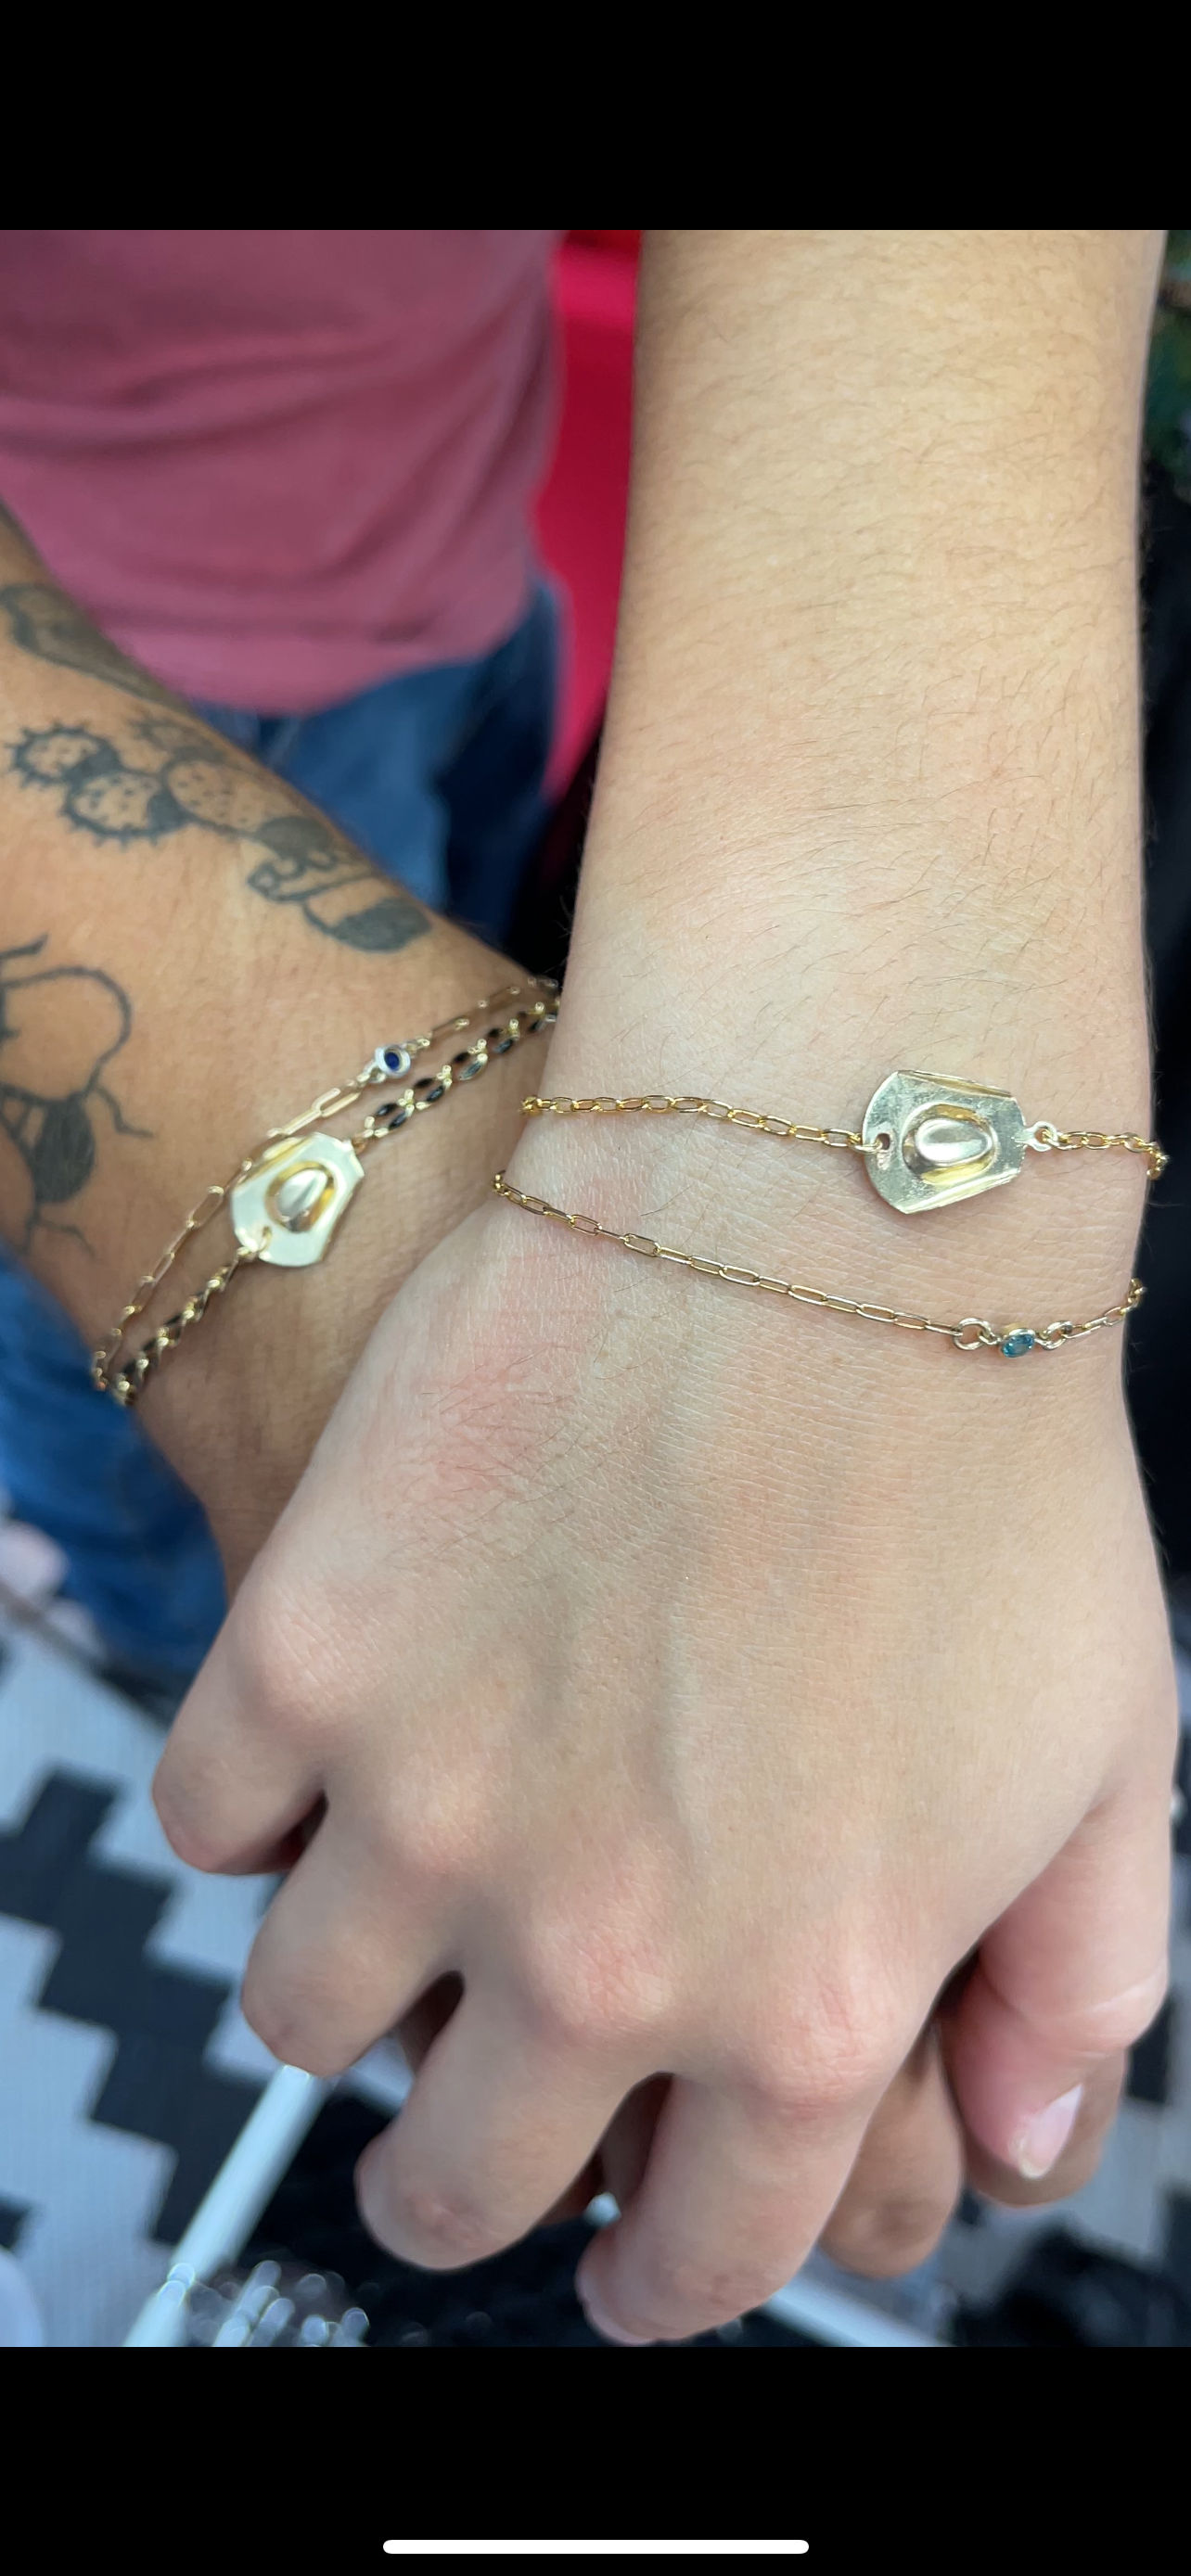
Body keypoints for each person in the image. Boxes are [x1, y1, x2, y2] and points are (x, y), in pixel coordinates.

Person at [0, 230, 1179, 2346]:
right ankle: (183, 1629)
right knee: (147, 1486)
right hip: (100, 669)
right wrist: (280, 1161)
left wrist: (854, 1016)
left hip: (457, 572)